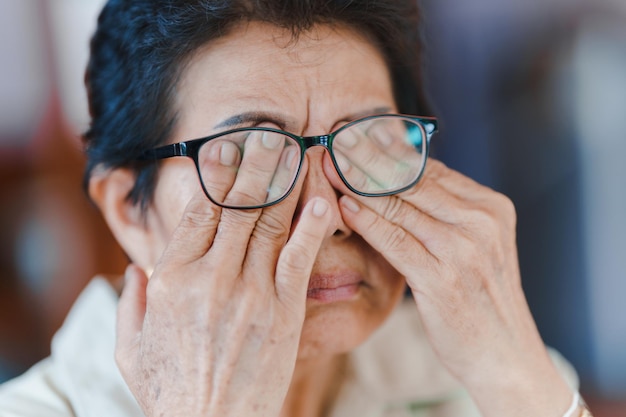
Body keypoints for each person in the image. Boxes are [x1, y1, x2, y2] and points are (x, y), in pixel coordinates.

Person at [0, 1, 593, 416]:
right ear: (129, 210)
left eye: (366, 142)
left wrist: (517, 382)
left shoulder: (483, 370)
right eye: (252, 158)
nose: (326, 214)